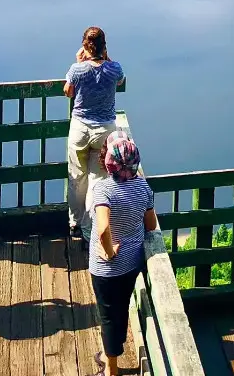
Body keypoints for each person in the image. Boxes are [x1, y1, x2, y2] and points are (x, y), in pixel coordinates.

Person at [89, 132, 157, 376]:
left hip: (107, 268)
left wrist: (108, 252)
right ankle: (112, 354)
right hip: (132, 264)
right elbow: (150, 225)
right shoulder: (143, 187)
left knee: (107, 315)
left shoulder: (103, 189)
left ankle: (112, 369)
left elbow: (103, 227)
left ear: (109, 163)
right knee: (121, 308)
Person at [64, 26, 125, 241]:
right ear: (104, 46)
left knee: (76, 178)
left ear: (84, 45)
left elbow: (68, 91)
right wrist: (106, 58)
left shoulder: (77, 69)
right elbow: (120, 81)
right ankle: (91, 228)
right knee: (97, 179)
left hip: (80, 127)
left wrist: (80, 63)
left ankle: (75, 223)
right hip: (104, 130)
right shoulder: (114, 68)